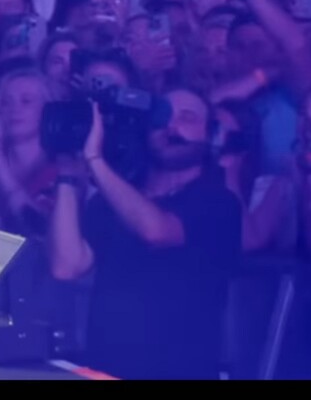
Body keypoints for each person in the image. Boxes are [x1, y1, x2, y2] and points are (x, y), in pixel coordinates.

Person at [48, 88, 242, 379]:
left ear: (210, 135)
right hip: (104, 372)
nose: (171, 126)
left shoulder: (219, 202)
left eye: (187, 118)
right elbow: (66, 266)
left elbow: (156, 231)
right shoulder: (111, 199)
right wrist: (66, 174)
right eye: (162, 116)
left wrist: (95, 159)